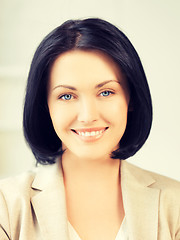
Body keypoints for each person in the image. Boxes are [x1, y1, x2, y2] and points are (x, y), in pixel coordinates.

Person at [0, 18, 180, 240]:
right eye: (66, 96)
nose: (88, 116)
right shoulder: (6, 206)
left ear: (130, 97)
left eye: (106, 92)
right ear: (45, 106)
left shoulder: (175, 204)